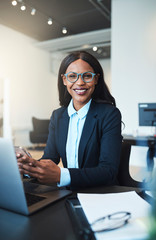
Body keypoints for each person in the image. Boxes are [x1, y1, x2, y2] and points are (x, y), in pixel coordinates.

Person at [17, 51, 123, 189]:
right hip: (69, 192)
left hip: (100, 193)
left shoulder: (109, 114)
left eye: (87, 76)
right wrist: (28, 167)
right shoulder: (58, 116)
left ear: (96, 79)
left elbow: (108, 171)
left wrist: (61, 175)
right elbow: (50, 158)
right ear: (64, 80)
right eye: (72, 76)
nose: (80, 82)